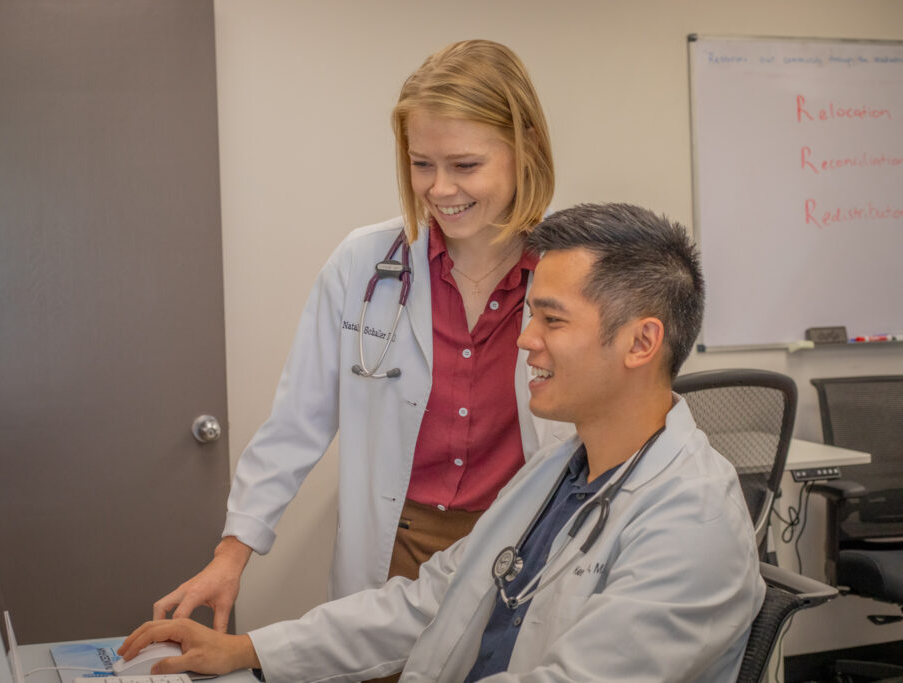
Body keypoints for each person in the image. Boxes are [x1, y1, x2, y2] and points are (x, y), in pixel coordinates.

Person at [120, 202, 766, 682]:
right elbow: (427, 603)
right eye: (529, 312)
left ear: (641, 342)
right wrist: (248, 652)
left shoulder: (693, 522)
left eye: (552, 319)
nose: (524, 338)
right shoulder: (554, 474)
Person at [154, 39, 573, 633]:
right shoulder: (363, 263)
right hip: (396, 550)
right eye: (422, 163)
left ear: (525, 145)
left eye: (465, 165)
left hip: (526, 545)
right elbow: (297, 422)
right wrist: (232, 553)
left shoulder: (577, 270)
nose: (440, 188)